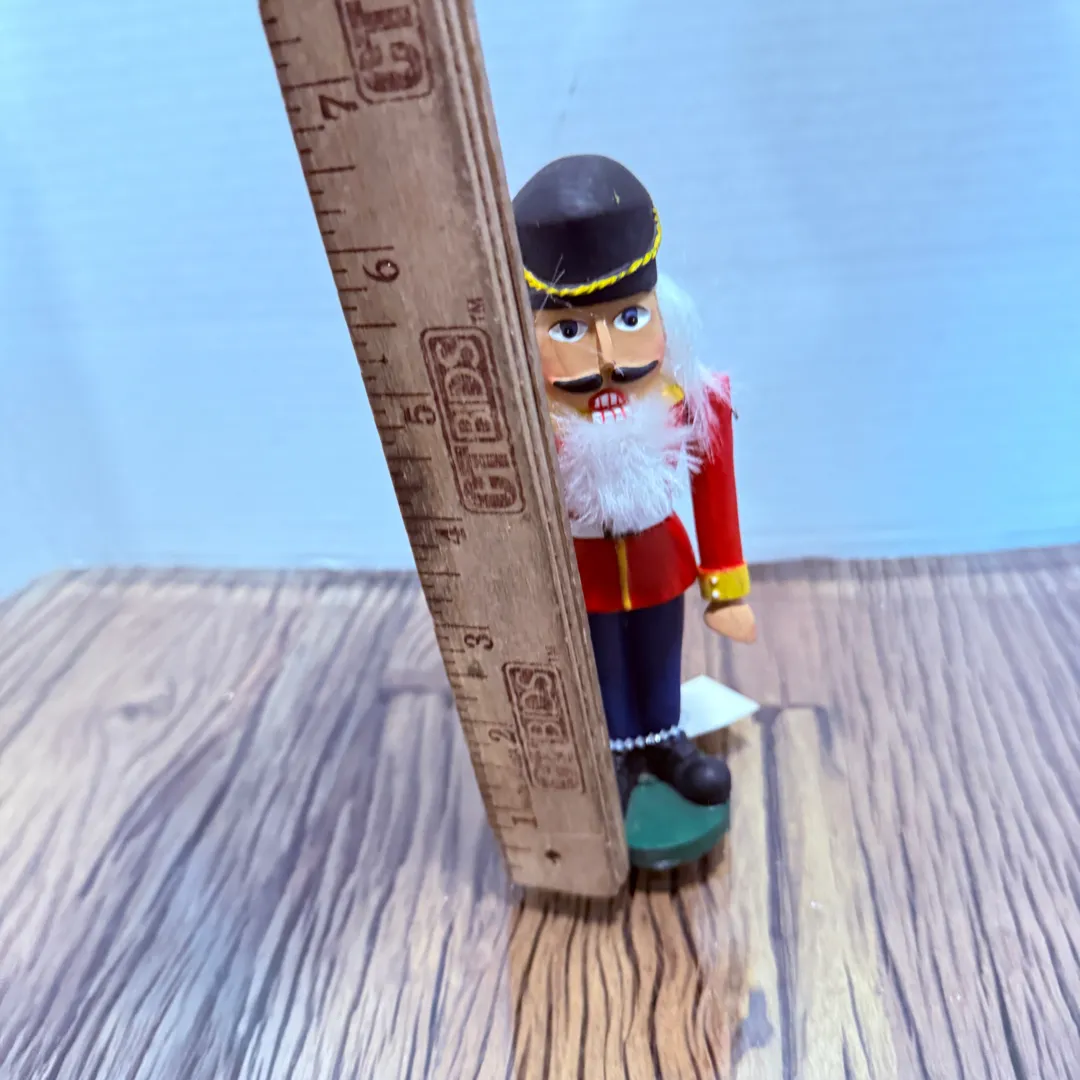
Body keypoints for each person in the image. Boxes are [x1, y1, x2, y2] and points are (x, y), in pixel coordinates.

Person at [512, 154, 757, 815]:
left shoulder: (685, 399)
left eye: (627, 320)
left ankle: (665, 737)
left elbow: (715, 490)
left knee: (658, 648)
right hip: (582, 567)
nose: (603, 359)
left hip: (658, 558)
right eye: (569, 330)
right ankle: (617, 746)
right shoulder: (535, 423)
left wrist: (725, 588)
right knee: (604, 662)